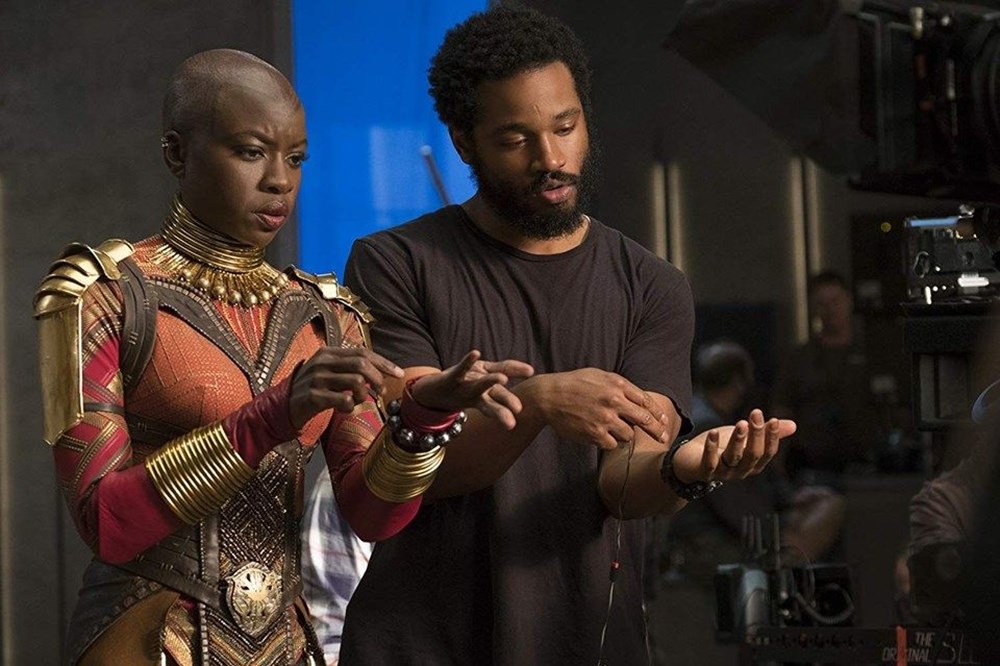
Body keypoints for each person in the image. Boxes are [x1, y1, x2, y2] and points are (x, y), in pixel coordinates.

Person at [326, 7, 795, 664]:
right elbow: (412, 474)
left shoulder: (651, 285)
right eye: (516, 139)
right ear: (463, 142)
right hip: (423, 639)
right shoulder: (395, 264)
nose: (551, 158)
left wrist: (685, 469)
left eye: (565, 128)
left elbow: (621, 484)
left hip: (583, 636)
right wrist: (539, 403)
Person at [33, 49, 530, 666]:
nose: (280, 181)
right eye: (251, 152)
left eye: (295, 159)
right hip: (146, 637)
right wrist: (272, 416)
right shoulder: (102, 296)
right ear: (176, 154)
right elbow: (105, 523)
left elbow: (371, 516)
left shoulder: (327, 316)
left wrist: (421, 419)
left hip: (287, 644)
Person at [653, 341, 844, 665]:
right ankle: (782, 572)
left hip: (724, 534)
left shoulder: (709, 417)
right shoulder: (708, 429)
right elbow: (736, 510)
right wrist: (784, 524)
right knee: (828, 511)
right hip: (709, 544)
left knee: (825, 505)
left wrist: (790, 501)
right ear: (740, 381)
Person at [772, 270, 881, 486]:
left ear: (848, 301)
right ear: (814, 308)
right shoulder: (800, 357)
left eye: (835, 301)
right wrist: (777, 460)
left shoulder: (874, 352)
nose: (831, 310)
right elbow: (782, 408)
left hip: (868, 462)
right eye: (822, 304)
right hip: (812, 463)